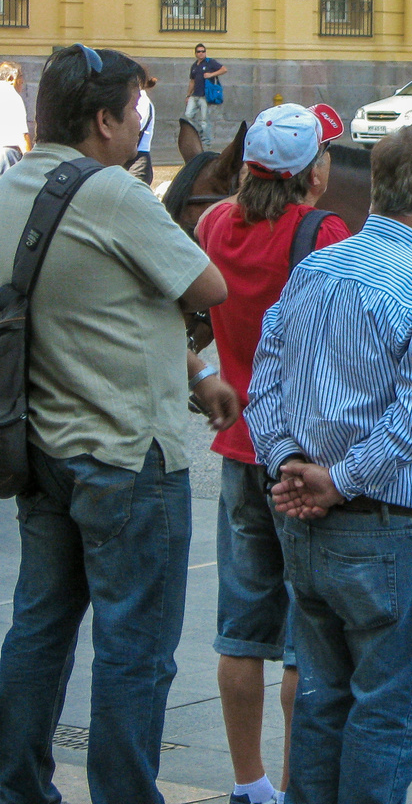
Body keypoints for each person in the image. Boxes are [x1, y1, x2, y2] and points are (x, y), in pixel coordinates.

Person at [0, 43, 238, 804]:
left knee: (38, 633)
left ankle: (19, 785)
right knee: (136, 653)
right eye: (136, 110)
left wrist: (196, 373)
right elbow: (209, 284)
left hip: (42, 457)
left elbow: (92, 306)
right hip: (129, 460)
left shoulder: (10, 188)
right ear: (102, 121)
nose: (143, 123)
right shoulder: (113, 194)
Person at [248, 124, 412, 804]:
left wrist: (292, 463)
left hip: (308, 534)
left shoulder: (316, 271)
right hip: (394, 534)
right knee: (395, 720)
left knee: (321, 707)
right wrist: (339, 482)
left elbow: (264, 386)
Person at [196, 103, 350, 804]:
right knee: (302, 637)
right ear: (312, 175)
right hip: (299, 457)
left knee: (240, 629)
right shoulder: (323, 234)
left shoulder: (212, 225)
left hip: (236, 450)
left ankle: (247, 784)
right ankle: (295, 787)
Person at [187, 43, 227, 147]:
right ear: (195, 53)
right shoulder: (194, 66)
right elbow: (192, 81)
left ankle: (206, 142)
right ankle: (199, 133)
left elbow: (224, 69)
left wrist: (211, 74)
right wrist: (188, 95)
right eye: (199, 51)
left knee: (204, 119)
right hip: (195, 95)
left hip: (205, 95)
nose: (201, 53)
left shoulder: (210, 62)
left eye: (203, 51)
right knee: (188, 115)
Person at [0, 62, 31, 175]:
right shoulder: (11, 94)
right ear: (11, 78)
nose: (22, 81)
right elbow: (22, 135)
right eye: (21, 76)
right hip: (7, 156)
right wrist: (31, 162)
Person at [128, 75, 158, 184]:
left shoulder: (142, 101)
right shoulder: (134, 99)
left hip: (138, 161)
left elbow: (136, 126)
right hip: (131, 159)